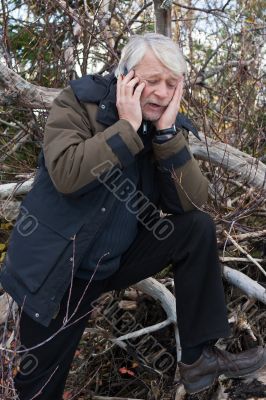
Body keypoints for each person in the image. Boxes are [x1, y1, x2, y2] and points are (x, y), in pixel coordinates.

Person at [0, 33, 265, 399]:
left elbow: (191, 203)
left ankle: (198, 357)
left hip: (112, 263)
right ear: (124, 76)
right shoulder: (79, 103)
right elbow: (66, 174)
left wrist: (168, 135)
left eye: (171, 84)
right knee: (40, 384)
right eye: (151, 80)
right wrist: (125, 128)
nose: (161, 92)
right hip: (57, 270)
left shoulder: (163, 127)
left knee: (195, 229)